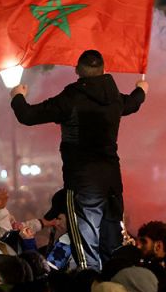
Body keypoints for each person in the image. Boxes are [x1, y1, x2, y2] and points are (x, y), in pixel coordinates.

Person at [10, 49, 147, 271]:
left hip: (82, 183)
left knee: (85, 248)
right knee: (112, 243)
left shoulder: (71, 99)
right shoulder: (114, 98)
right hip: (112, 182)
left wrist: (17, 95)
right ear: (104, 70)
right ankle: (115, 286)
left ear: (77, 71)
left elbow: (28, 116)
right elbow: (132, 103)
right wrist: (141, 90)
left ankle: (90, 290)